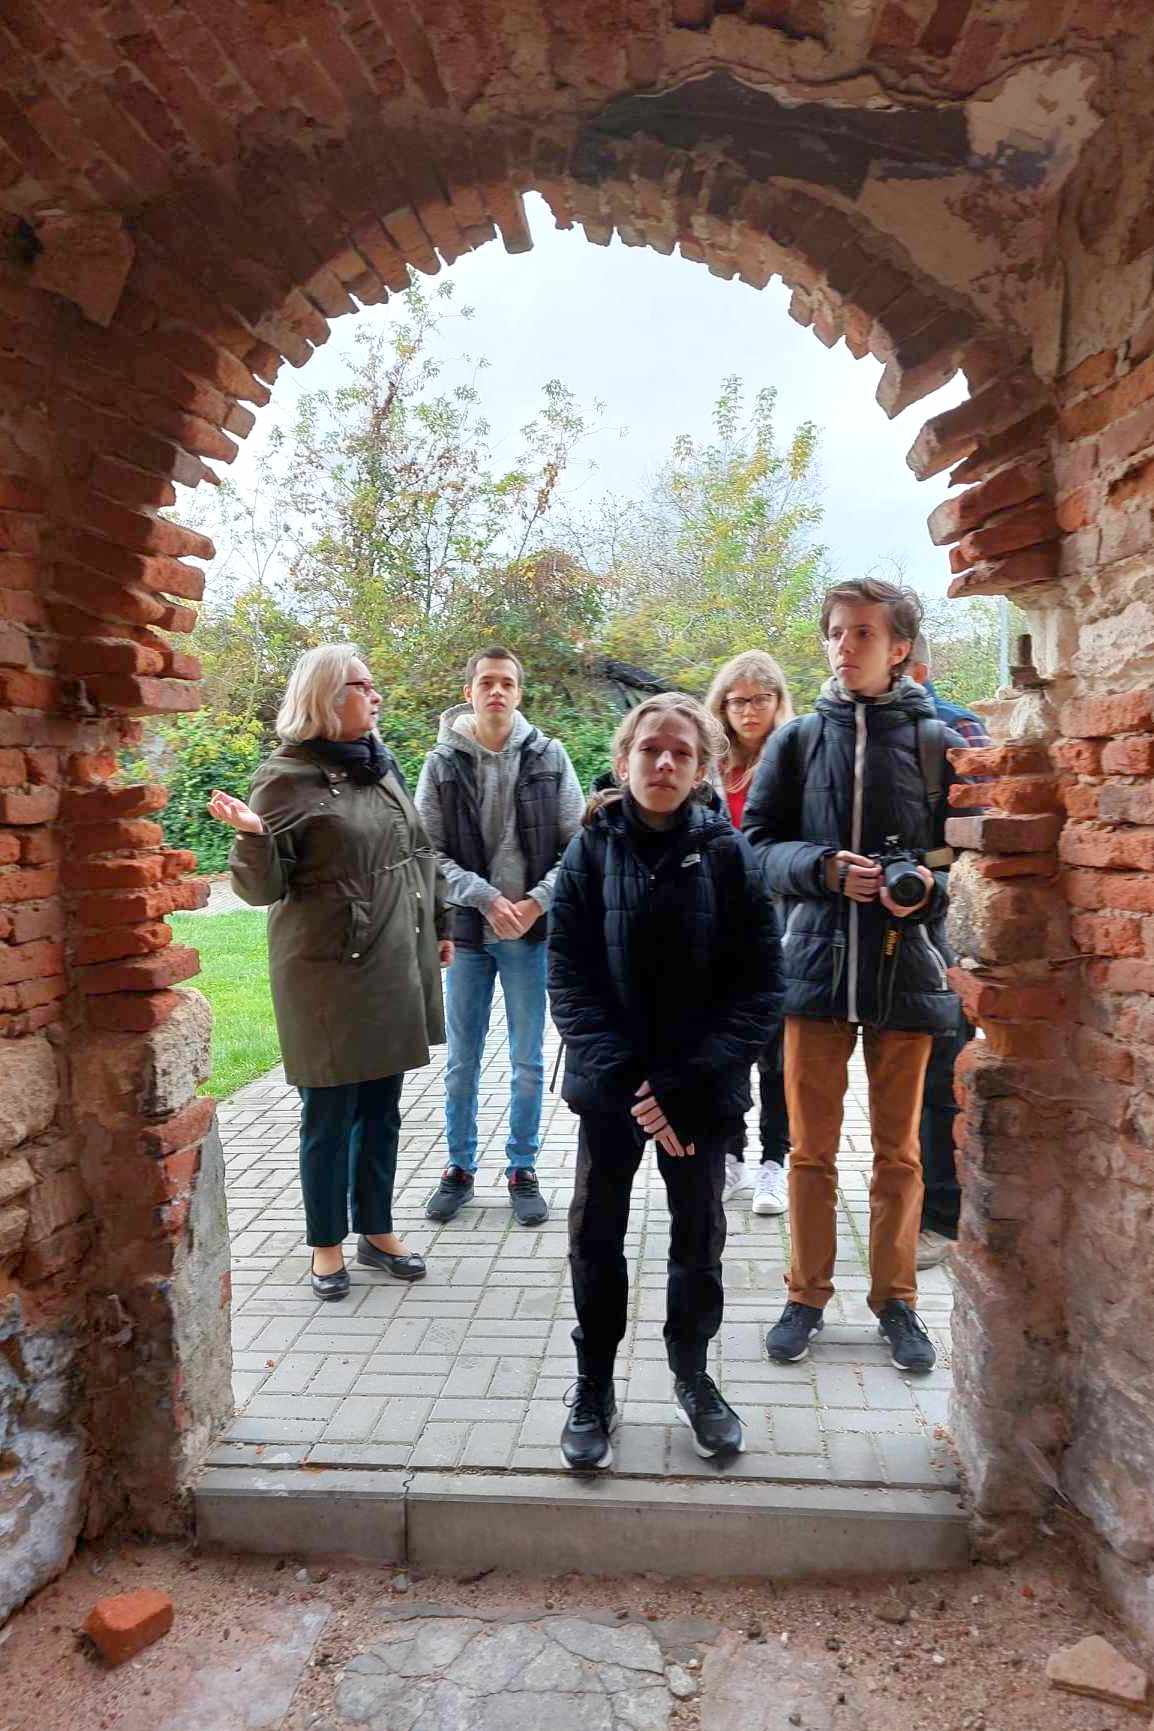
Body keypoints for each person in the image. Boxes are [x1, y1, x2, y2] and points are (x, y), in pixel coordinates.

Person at [548, 693, 781, 1470]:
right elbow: (569, 978)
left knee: (698, 1236)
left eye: (682, 751)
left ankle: (693, 1374)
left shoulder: (729, 854)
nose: (665, 762)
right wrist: (630, 1083)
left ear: (703, 767)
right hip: (612, 1090)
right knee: (596, 1234)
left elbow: (760, 986)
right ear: (625, 760)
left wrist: (686, 1080)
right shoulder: (589, 852)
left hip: (698, 1092)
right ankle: (594, 1383)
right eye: (651, 748)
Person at [743, 578, 966, 1375]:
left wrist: (928, 885)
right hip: (813, 967)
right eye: (836, 630)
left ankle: (895, 1300)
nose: (845, 644)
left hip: (908, 967)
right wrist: (823, 868)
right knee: (809, 1151)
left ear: (899, 646)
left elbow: (967, 857)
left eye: (864, 632)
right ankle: (805, 1296)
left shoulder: (940, 742)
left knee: (900, 1153)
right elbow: (755, 845)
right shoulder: (797, 741)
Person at [208, 645, 452, 1302]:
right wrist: (253, 835)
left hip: (392, 959)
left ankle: (376, 1229)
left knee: (382, 1108)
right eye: (361, 686)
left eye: (373, 685)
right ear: (324, 696)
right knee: (329, 1114)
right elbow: (261, 890)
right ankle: (325, 1243)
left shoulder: (376, 764)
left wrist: (441, 922)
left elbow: (417, 849)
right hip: (327, 974)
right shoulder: (284, 779)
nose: (376, 696)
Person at [415, 646, 584, 1227]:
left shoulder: (550, 756)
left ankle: (522, 1168)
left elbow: (576, 847)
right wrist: (486, 898)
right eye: (486, 682)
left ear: (518, 692)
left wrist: (537, 903)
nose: (496, 691)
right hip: (469, 933)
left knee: (527, 1061)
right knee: (462, 1061)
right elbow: (427, 852)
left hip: (529, 936)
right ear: (469, 692)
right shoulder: (441, 763)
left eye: (507, 683)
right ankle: (459, 1168)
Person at [908, 632, 991, 1270]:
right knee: (899, 1075)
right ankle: (908, 1204)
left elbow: (982, 834)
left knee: (939, 1072)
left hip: (942, 924)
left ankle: (939, 1215)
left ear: (914, 666)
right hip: (875, 924)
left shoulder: (957, 730)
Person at [705, 649, 794, 1215]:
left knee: (777, 1056)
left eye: (761, 698)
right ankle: (732, 1155)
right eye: (737, 700)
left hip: (780, 924)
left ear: (778, 701)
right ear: (722, 706)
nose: (749, 710)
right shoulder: (709, 765)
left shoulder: (794, 759)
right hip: (717, 925)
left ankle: (774, 1163)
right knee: (727, 1050)